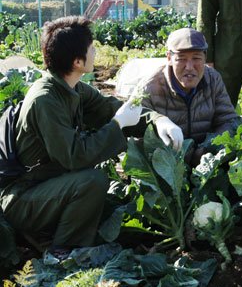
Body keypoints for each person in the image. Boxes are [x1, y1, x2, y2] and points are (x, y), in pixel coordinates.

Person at [0, 16, 143, 252]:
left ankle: (52, 232)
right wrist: (117, 125)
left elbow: (110, 109)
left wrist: (161, 121)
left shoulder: (71, 87)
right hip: (22, 199)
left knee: (109, 206)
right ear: (77, 61)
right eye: (91, 47)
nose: (95, 51)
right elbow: (75, 156)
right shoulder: (45, 99)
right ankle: (65, 251)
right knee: (92, 182)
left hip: (48, 186)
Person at [138, 27, 239, 165]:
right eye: (181, 59)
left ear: (205, 58)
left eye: (196, 58)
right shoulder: (150, 86)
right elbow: (135, 125)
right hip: (168, 166)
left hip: (206, 164)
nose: (189, 67)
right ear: (169, 58)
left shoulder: (213, 79)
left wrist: (207, 150)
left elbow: (228, 121)